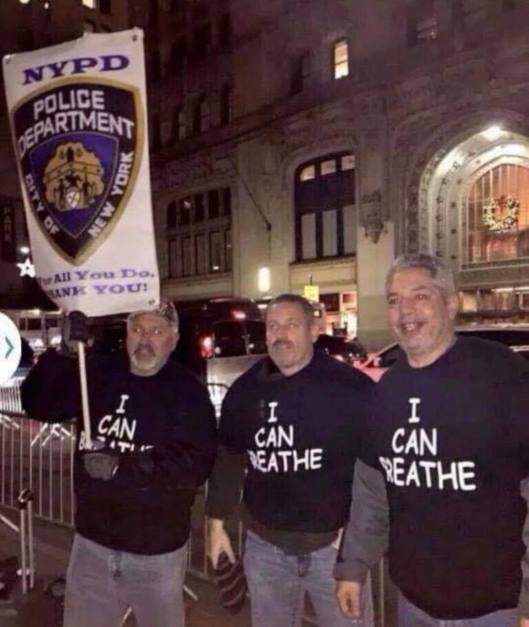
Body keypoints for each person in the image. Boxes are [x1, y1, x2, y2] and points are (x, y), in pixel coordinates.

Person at [335, 253, 529, 626]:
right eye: (394, 300)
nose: (405, 310)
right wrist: (353, 567)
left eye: (420, 296)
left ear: (451, 303)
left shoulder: (502, 375)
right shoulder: (386, 390)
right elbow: (372, 491)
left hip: (495, 606)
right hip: (414, 600)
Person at [21, 300, 217, 627]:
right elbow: (37, 404)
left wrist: (121, 468)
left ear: (173, 339)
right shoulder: (99, 373)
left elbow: (195, 464)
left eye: (156, 331)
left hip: (155, 555)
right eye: (137, 329)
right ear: (127, 334)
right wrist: (63, 355)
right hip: (91, 546)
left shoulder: (187, 392)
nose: (145, 339)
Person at [206, 293, 374, 627]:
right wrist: (216, 523)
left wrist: (357, 540)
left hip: (334, 551)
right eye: (273, 326)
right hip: (265, 549)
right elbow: (229, 456)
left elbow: (375, 466)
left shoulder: (351, 388)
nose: (280, 334)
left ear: (314, 330)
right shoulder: (245, 391)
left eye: (291, 325)